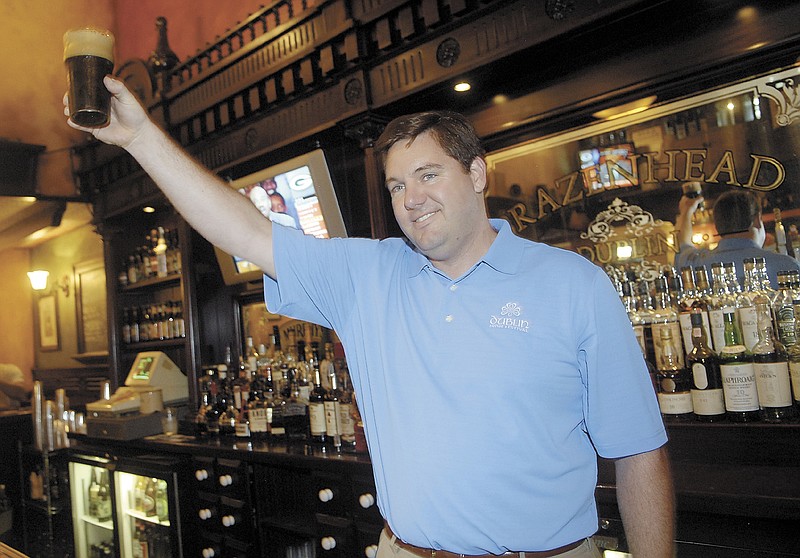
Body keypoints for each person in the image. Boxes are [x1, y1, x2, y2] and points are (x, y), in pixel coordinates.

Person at [66, 76, 674, 557]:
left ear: (478, 173)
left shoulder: (573, 284)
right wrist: (140, 137)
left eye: (428, 174)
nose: (411, 199)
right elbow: (245, 230)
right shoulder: (367, 275)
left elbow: (639, 453)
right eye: (395, 185)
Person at [674, 188, 800, 287]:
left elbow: (683, 243)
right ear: (756, 220)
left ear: (717, 227)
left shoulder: (694, 266)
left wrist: (686, 211)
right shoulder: (787, 266)